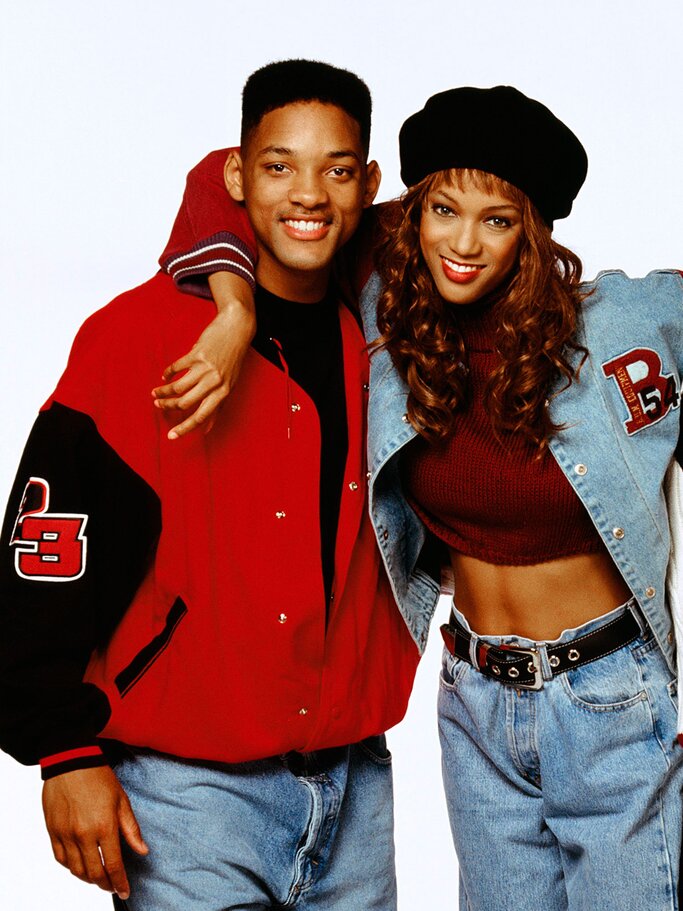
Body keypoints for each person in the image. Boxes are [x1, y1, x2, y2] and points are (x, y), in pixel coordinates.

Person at [154, 85, 683, 910]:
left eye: (497, 220)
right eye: (442, 209)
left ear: (532, 230)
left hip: (609, 698)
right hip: (475, 700)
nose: (462, 243)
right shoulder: (386, 303)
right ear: (415, 207)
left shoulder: (625, 321)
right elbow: (227, 182)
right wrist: (231, 308)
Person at [0, 59, 423, 911]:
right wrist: (64, 749)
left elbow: (473, 214)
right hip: (186, 798)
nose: (307, 193)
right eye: (277, 166)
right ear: (236, 173)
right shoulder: (135, 336)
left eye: (336, 169)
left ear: (367, 181)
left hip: (356, 789)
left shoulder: (388, 322)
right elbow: (46, 546)